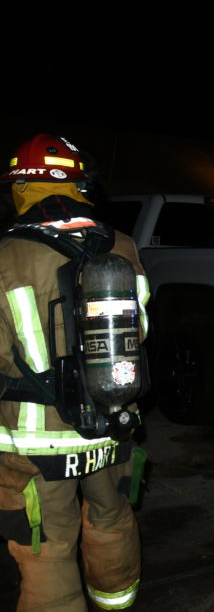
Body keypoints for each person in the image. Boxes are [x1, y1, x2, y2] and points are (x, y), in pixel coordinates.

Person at [0, 134, 149, 611]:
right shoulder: (122, 244)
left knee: (46, 545)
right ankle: (116, 603)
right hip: (111, 423)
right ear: (80, 184)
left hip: (35, 441)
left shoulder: (6, 254)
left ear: (22, 188)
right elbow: (141, 331)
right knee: (112, 520)